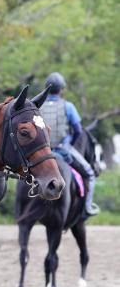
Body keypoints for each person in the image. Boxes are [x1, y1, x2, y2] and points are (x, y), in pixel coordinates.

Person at [40, 72, 99, 216]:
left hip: (42, 150)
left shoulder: (38, 106)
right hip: (62, 149)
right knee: (90, 173)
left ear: (46, 88)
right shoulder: (68, 106)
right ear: (62, 89)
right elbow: (78, 130)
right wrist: (70, 143)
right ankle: (87, 207)